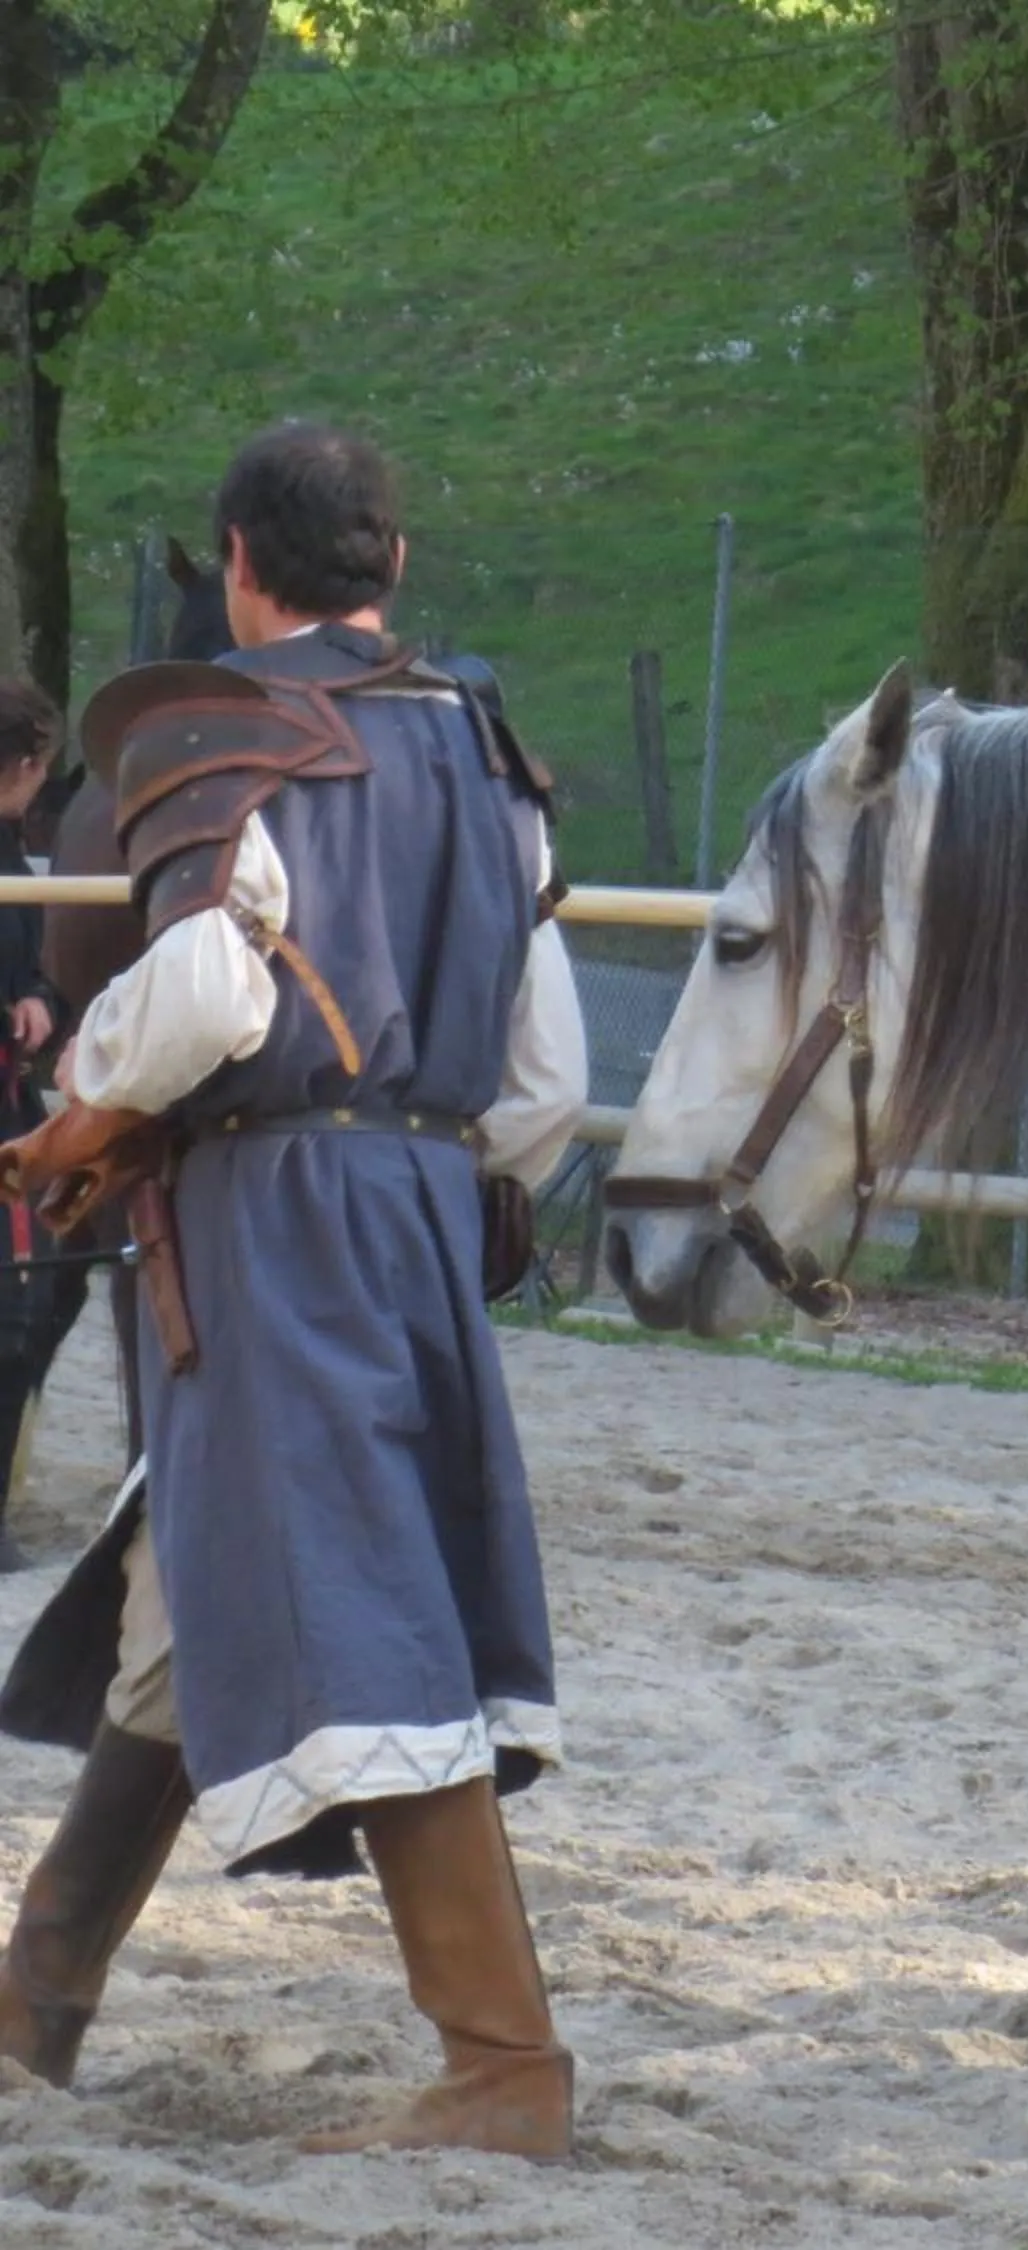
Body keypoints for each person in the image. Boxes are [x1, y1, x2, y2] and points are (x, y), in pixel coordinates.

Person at [0, 420, 589, 2156]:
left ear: (237, 562)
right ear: (389, 566)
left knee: (356, 1605)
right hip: (419, 1203)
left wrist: (73, 1129)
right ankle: (33, 2001)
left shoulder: (229, 735)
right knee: (203, 1590)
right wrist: (428, 1176)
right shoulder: (486, 752)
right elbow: (545, 1081)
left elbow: (200, 995)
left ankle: (502, 2072)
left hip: (277, 1207)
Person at [0, 684, 92, 1572]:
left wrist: (36, 998)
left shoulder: (17, 868)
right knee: (16, 1301)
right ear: (27, 768)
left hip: (9, 1100)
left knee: (42, 1287)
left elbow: (31, 973)